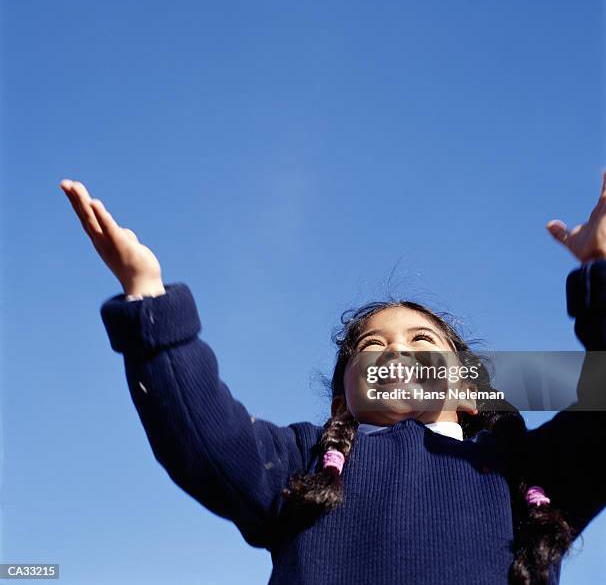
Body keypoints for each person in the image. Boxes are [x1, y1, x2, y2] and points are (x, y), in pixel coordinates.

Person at [59, 175, 606, 584]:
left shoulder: (525, 474)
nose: (397, 351)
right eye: (372, 346)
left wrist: (599, 271)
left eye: (421, 342)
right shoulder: (302, 465)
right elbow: (205, 436)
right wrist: (149, 296)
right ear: (344, 400)